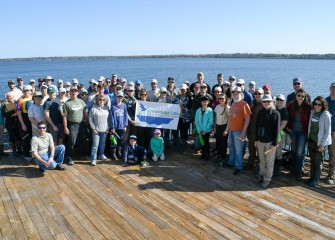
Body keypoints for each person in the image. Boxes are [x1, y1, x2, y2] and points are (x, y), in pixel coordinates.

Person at [286, 89, 312, 181]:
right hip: (293, 131)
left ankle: (298, 172)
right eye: (299, 95)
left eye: (302, 96)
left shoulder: (308, 107)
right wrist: (287, 127)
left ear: (305, 97)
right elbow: (285, 116)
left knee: (300, 152)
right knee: (293, 151)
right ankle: (293, 170)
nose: (300, 97)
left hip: (303, 132)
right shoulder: (291, 105)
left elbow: (311, 121)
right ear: (296, 96)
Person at [255, 95, 280, 188]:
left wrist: (274, 143)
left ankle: (267, 179)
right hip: (261, 141)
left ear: (272, 102)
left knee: (269, 162)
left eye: (268, 102)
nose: (266, 104)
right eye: (264, 102)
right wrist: (256, 140)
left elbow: (277, 130)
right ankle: (262, 175)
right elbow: (257, 127)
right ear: (262, 103)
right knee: (262, 160)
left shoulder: (275, 114)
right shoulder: (260, 112)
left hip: (270, 142)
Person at [306, 96, 331, 187]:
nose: (317, 106)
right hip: (311, 141)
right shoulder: (312, 112)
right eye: (315, 104)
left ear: (323, 105)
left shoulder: (325, 115)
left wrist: (322, 145)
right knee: (312, 161)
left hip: (319, 143)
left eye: (319, 104)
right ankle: (311, 177)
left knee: (318, 163)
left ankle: (316, 180)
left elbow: (327, 131)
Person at [227, 87, 251, 175]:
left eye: (238, 93)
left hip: (239, 131)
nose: (235, 94)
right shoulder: (233, 103)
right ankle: (231, 162)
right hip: (231, 130)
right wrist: (228, 128)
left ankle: (238, 167)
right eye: (234, 93)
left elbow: (248, 118)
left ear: (241, 94)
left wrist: (244, 132)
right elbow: (230, 117)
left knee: (238, 150)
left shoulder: (244, 104)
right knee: (232, 148)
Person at [63, 86, 87, 165]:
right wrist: (66, 127)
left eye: (75, 91)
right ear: (70, 93)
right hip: (72, 124)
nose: (74, 93)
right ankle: (70, 157)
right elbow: (65, 117)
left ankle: (82, 155)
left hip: (81, 123)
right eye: (72, 91)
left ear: (78, 92)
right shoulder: (67, 103)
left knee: (83, 139)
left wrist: (86, 120)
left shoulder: (81, 102)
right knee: (72, 141)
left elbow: (84, 113)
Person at [246, 87, 264, 171]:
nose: (257, 95)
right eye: (256, 93)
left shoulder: (264, 105)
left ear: (263, 95)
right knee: (251, 148)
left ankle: (258, 168)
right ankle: (250, 164)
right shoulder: (253, 102)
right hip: (251, 130)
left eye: (259, 94)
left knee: (260, 151)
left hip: (259, 132)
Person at [89, 94, 110, 166]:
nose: (101, 101)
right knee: (95, 145)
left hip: (105, 130)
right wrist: (93, 128)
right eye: (100, 100)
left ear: (105, 101)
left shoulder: (107, 108)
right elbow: (90, 119)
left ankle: (101, 155)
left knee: (102, 144)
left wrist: (108, 127)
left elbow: (109, 119)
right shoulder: (93, 108)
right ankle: (93, 159)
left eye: (103, 100)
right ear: (97, 100)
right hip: (96, 130)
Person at [16, 85, 33, 161]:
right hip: (24, 120)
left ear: (31, 91)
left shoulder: (34, 98)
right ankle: (26, 155)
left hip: (32, 120)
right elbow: (19, 113)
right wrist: (22, 124)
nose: (27, 92)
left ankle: (33, 153)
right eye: (25, 91)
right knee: (25, 138)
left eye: (28, 90)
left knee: (33, 138)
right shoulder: (20, 100)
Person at [109, 91, 128, 160]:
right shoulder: (113, 106)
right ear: (116, 97)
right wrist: (112, 127)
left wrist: (125, 125)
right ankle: (113, 153)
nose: (119, 98)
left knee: (120, 140)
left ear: (122, 98)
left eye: (121, 97)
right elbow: (111, 117)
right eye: (118, 97)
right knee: (114, 141)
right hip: (115, 127)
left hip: (122, 127)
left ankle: (119, 152)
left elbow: (126, 116)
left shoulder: (124, 105)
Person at [274, 94, 289, 176]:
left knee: (278, 151)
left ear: (284, 101)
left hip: (281, 134)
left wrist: (274, 132)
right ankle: (272, 167)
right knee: (273, 151)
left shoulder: (285, 111)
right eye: (278, 99)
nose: (279, 101)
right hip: (273, 133)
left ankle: (277, 169)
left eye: (281, 100)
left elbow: (283, 125)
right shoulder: (274, 109)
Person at [195, 96, 214, 161]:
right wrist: (199, 130)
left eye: (206, 102)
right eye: (203, 102)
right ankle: (203, 154)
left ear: (208, 102)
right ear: (201, 102)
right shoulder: (198, 110)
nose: (204, 103)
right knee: (201, 143)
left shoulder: (210, 110)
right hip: (200, 130)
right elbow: (196, 121)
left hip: (207, 130)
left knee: (206, 142)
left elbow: (210, 121)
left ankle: (207, 155)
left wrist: (205, 130)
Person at [175, 84, 192, 151]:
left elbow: (190, 108)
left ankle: (184, 145)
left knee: (184, 131)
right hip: (179, 117)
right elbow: (174, 104)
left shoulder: (189, 97)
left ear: (186, 90)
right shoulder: (177, 97)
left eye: (184, 90)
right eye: (181, 90)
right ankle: (179, 143)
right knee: (177, 131)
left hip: (186, 118)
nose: (183, 91)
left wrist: (183, 107)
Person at [214, 93, 230, 164]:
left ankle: (223, 156)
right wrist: (214, 127)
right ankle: (219, 155)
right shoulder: (217, 107)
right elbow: (216, 117)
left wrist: (226, 129)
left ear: (225, 99)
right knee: (218, 141)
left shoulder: (227, 108)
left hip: (224, 126)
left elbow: (229, 119)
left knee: (223, 142)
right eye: (220, 98)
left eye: (222, 99)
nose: (221, 100)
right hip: (218, 126)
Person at [325, 82, 335, 184]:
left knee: (332, 154)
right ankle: (318, 173)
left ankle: (331, 175)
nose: (334, 90)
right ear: (330, 88)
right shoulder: (326, 101)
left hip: (333, 134)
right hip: (324, 133)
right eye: (332, 88)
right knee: (321, 152)